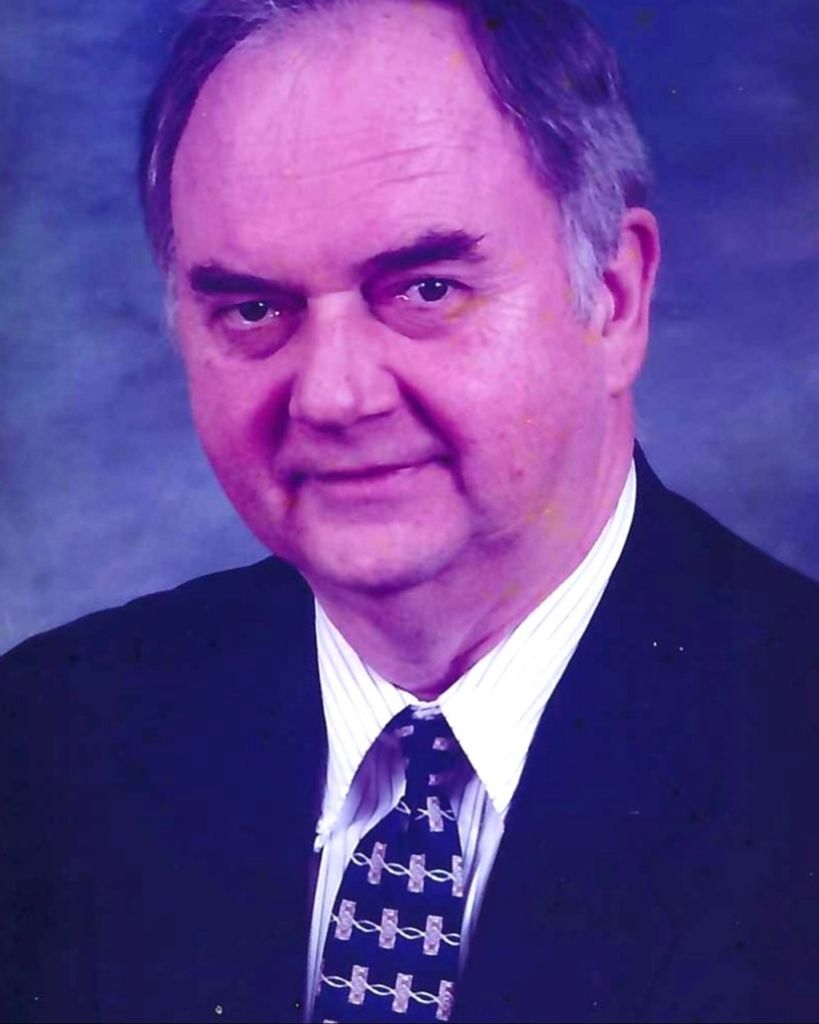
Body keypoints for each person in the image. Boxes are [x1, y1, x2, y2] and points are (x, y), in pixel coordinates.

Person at [2, 0, 817, 1021]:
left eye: (425, 289)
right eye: (253, 309)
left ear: (613, 299)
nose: (334, 395)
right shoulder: (44, 742)